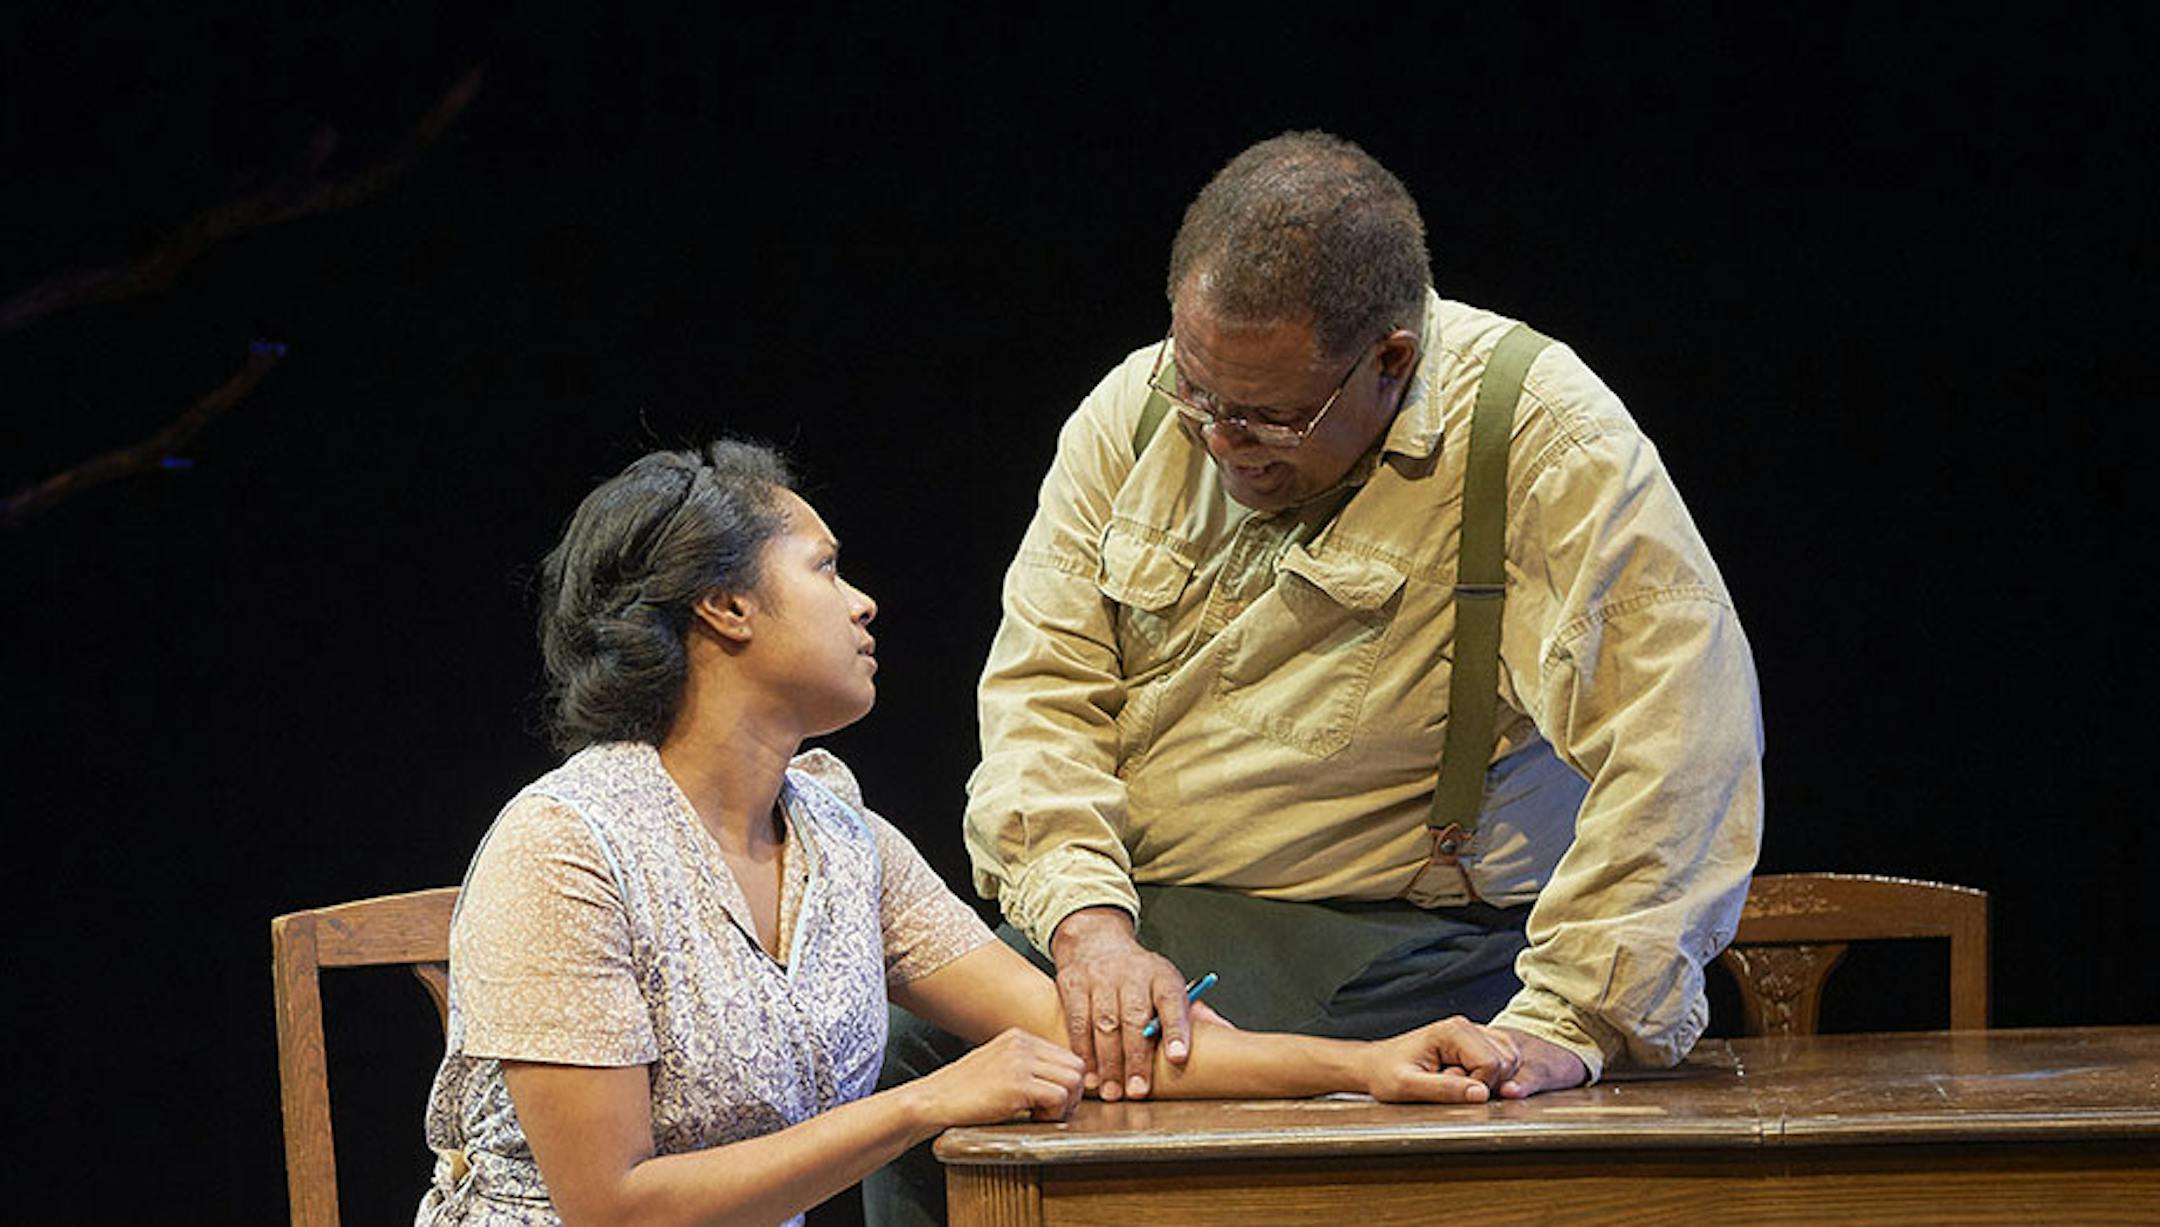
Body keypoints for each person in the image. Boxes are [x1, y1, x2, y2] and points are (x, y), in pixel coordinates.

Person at [871, 130, 1763, 1221]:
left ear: (1390, 359)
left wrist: (1572, 1023)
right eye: (1201, 393)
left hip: (1396, 940)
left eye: (1270, 417)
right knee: (920, 1052)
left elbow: (1684, 744)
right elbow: (1041, 696)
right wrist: (1088, 927)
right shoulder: (1138, 412)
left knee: (1030, 1076)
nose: (1224, 442)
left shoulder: (1539, 439)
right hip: (1145, 922)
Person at [416, 440, 1535, 1227]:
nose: (863, 602)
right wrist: (929, 1099)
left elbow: (1088, 1038)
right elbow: (613, 1208)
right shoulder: (566, 847)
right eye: (823, 568)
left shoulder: (841, 838)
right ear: (724, 607)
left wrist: (1367, 1066)